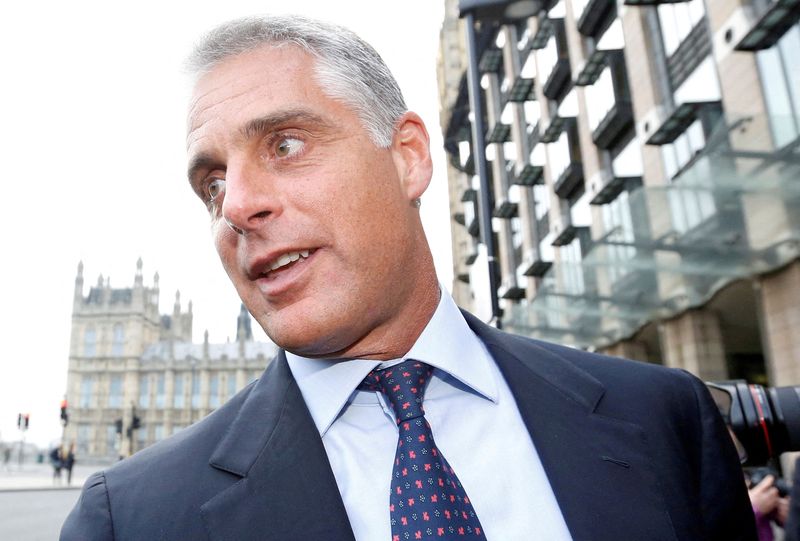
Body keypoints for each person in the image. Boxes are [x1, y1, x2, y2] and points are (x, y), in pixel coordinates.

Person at [61, 15, 756, 541]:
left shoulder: (664, 419)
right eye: (212, 185)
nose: (237, 205)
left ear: (409, 157)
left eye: (286, 144)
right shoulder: (131, 518)